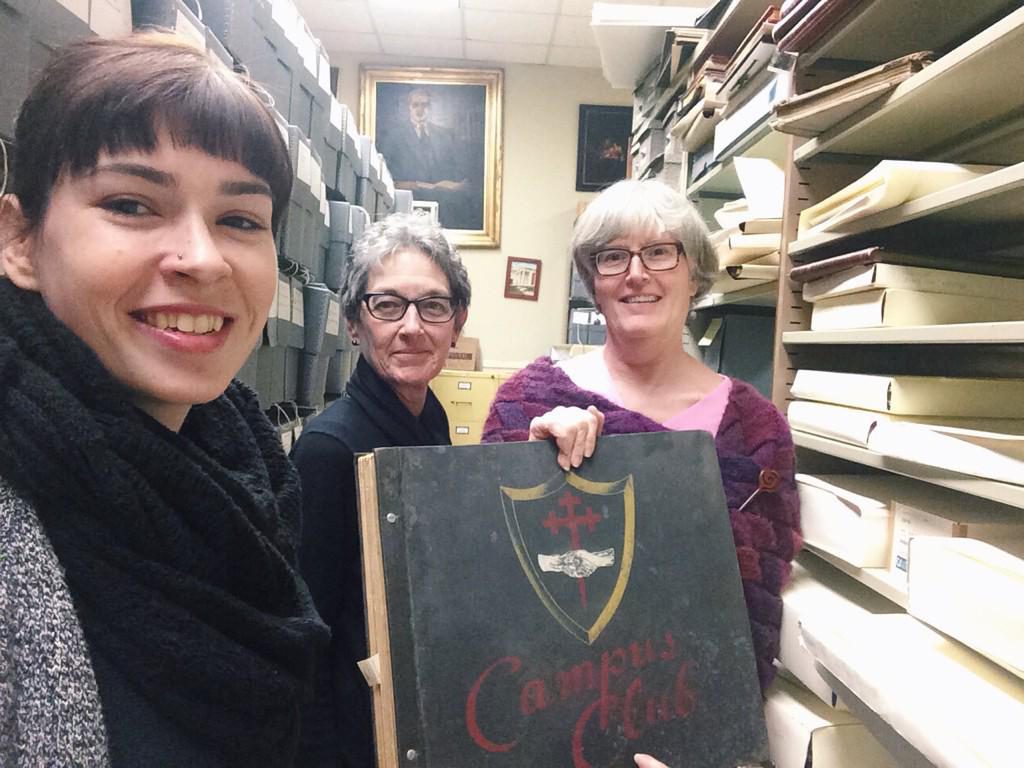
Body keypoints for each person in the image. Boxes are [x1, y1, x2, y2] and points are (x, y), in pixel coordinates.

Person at [0, 34, 329, 766]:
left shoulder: (250, 493)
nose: (203, 259)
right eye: (132, 204)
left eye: (240, 220)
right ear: (20, 238)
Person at [482, 178, 801, 695]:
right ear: (592, 280)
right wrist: (530, 461)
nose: (636, 274)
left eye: (659, 253)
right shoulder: (528, 404)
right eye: (612, 257)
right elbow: (483, 575)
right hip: (551, 706)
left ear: (695, 274)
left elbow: (757, 606)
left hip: (693, 709)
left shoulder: (757, 431)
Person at [292, 213, 471, 766]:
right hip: (357, 742)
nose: (412, 327)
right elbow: (306, 644)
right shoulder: (329, 450)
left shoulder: (429, 423)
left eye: (433, 306)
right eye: (388, 305)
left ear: (457, 323)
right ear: (353, 322)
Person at [376, 88, 480, 230]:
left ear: (430, 108)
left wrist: (451, 184)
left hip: (442, 203)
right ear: (409, 108)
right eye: (416, 105)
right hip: (408, 202)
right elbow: (385, 174)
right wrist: (418, 185)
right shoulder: (393, 135)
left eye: (424, 105)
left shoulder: (445, 135)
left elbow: (455, 169)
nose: (420, 109)